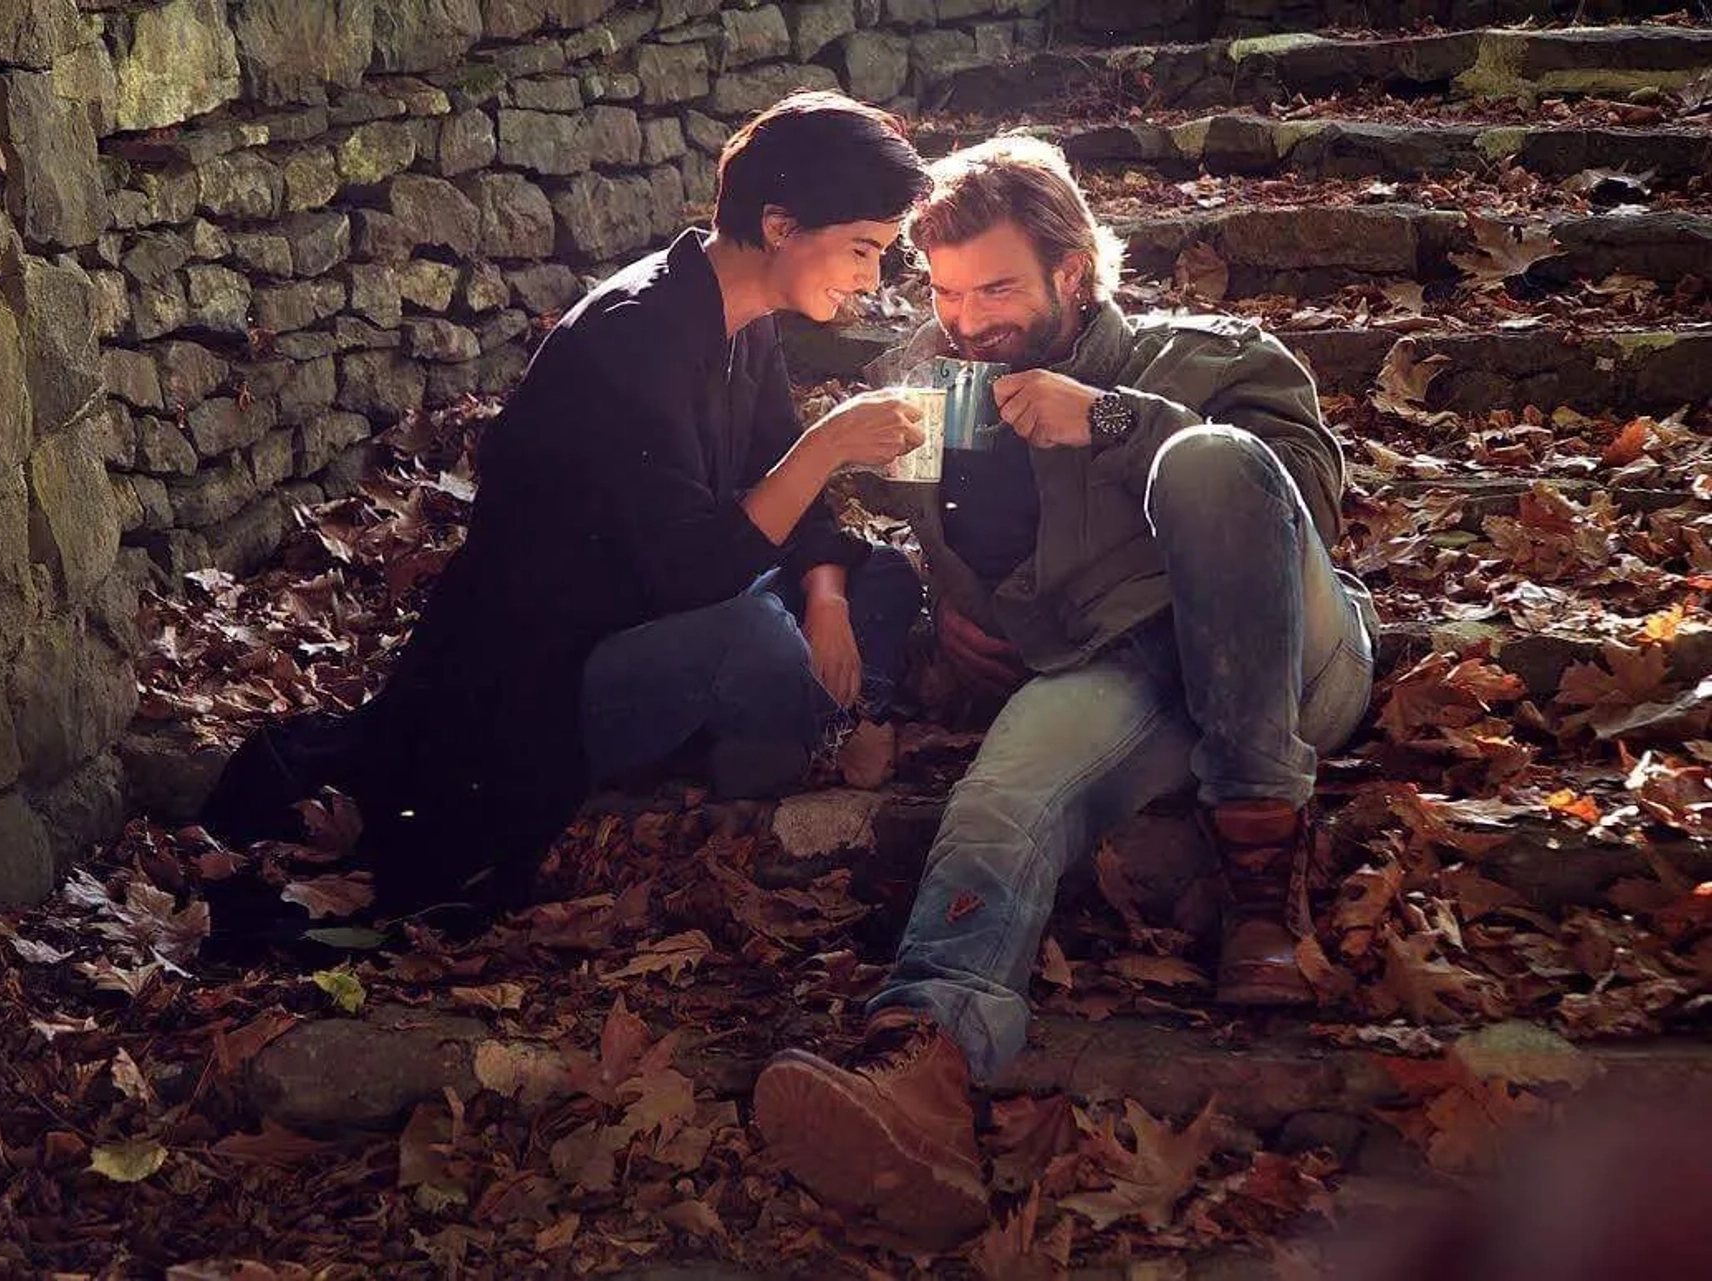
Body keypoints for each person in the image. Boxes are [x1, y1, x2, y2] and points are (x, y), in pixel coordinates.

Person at [752, 135, 1381, 1245]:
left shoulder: (1214, 356)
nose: (968, 316)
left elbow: (1299, 526)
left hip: (1283, 668)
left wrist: (1115, 419)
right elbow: (936, 538)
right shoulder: (938, 382)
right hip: (1115, 675)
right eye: (946, 290)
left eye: (997, 287)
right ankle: (927, 1071)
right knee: (1001, 796)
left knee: (1212, 461)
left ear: (1074, 273)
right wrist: (960, 606)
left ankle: (1259, 892)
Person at [198, 92, 933, 944]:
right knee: (754, 636)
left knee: (878, 575)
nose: (870, 279)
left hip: (682, 609)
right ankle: (760, 735)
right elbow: (694, 567)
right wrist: (831, 445)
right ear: (778, 225)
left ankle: (765, 731)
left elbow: (775, 482)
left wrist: (830, 595)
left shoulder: (746, 320)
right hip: (557, 668)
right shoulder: (634, 337)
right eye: (861, 250)